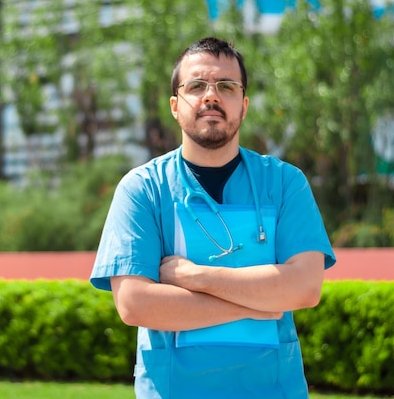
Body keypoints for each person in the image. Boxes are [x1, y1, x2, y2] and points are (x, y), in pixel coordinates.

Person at [90, 37, 336, 398]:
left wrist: (195, 276)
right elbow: (134, 303)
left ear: (244, 104)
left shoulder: (284, 183)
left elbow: (305, 287)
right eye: (196, 86)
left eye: (226, 86)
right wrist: (257, 304)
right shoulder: (143, 189)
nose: (211, 95)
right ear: (175, 105)